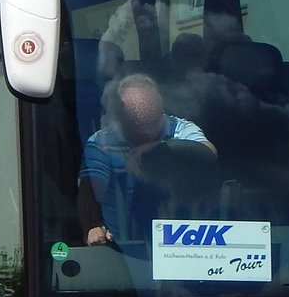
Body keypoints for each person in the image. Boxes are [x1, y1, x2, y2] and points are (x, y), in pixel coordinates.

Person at [78, 73, 216, 245]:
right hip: (123, 245)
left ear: (162, 113)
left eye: (152, 129)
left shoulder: (180, 129)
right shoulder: (102, 143)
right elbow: (88, 189)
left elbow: (209, 153)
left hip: (180, 241)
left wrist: (158, 149)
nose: (146, 137)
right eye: (137, 132)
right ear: (121, 119)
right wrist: (92, 226)